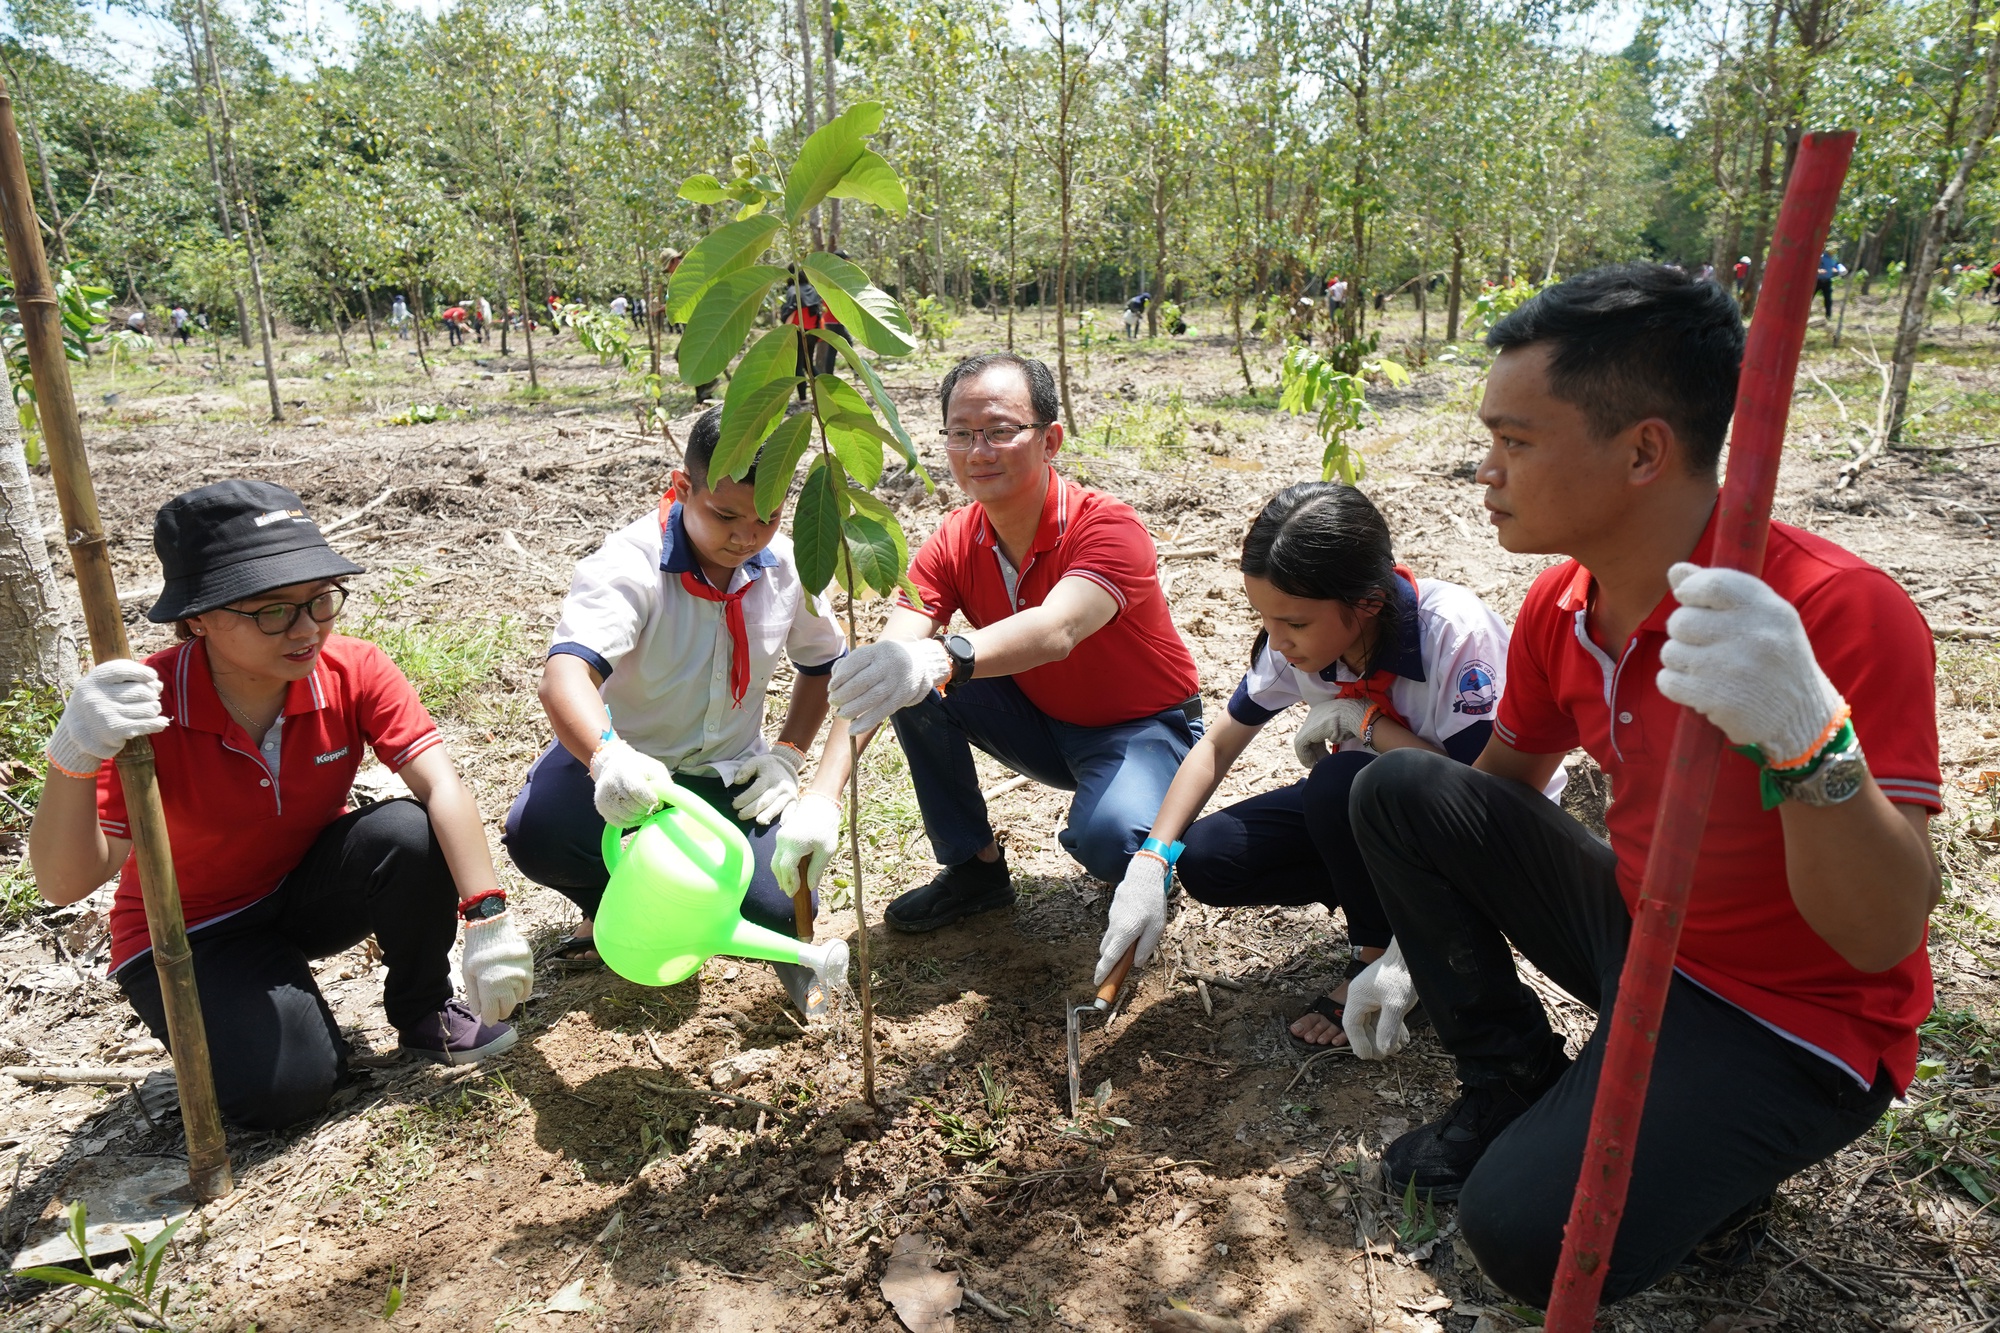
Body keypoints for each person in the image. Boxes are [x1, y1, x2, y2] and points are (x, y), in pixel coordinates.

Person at [1347, 264, 1940, 1305]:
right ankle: (1511, 1085)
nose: (1481, 471)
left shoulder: (1832, 611)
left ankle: (1720, 1162)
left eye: (1514, 441)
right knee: (1397, 790)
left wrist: (1804, 735)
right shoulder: (1559, 602)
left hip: (1789, 1023)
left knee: (1522, 1232)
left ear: (1642, 450)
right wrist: (1411, 945)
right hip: (1645, 933)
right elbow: (1490, 794)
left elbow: (1877, 935)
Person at [26, 482, 531, 1130]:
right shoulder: (146, 710)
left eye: (319, 600)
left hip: (296, 889)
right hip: (193, 935)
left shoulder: (352, 670)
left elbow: (442, 786)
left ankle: (425, 1008)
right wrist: (73, 754)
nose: (305, 629)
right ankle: (255, 1017)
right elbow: (65, 881)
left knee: (408, 831)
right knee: (290, 1093)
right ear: (198, 618)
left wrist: (487, 917)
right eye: (272, 611)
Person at [1096, 481, 1562, 1048]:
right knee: (1213, 859)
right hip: (1375, 814)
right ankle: (1391, 918)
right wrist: (1153, 857)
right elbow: (1219, 743)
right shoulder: (1298, 637)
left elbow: (1481, 796)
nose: (1278, 640)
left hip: (1488, 838)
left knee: (1342, 778)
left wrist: (1367, 723)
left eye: (1294, 623)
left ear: (1366, 602)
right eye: (1264, 617)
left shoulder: (1455, 636)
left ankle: (1393, 952)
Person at [792, 353, 1203, 934]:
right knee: (906, 681)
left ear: (1050, 439)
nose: (979, 451)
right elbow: (882, 666)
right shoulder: (958, 537)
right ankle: (974, 871)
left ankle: (1159, 837)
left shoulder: (1107, 527)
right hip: (1036, 719)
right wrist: (822, 798)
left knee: (1111, 843)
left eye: (1001, 431)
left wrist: (942, 655)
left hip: (1139, 728)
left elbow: (1058, 629)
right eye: (961, 434)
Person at [503, 406, 846, 1014]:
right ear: (682, 486)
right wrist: (608, 759)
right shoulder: (628, 565)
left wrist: (789, 758)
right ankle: (609, 904)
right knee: (540, 832)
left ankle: (791, 951)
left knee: (779, 900)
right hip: (630, 769)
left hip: (727, 774)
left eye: (767, 517)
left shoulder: (789, 568)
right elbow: (565, 676)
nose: (747, 536)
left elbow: (823, 667)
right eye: (726, 515)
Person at [1815, 251, 1845, 319]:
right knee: (1810, 298)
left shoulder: (1834, 258)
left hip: (1827, 281)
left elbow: (1835, 266)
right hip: (1818, 281)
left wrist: (1838, 269)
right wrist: (1819, 270)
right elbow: (1814, 266)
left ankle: (1828, 316)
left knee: (1828, 300)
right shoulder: (1821, 257)